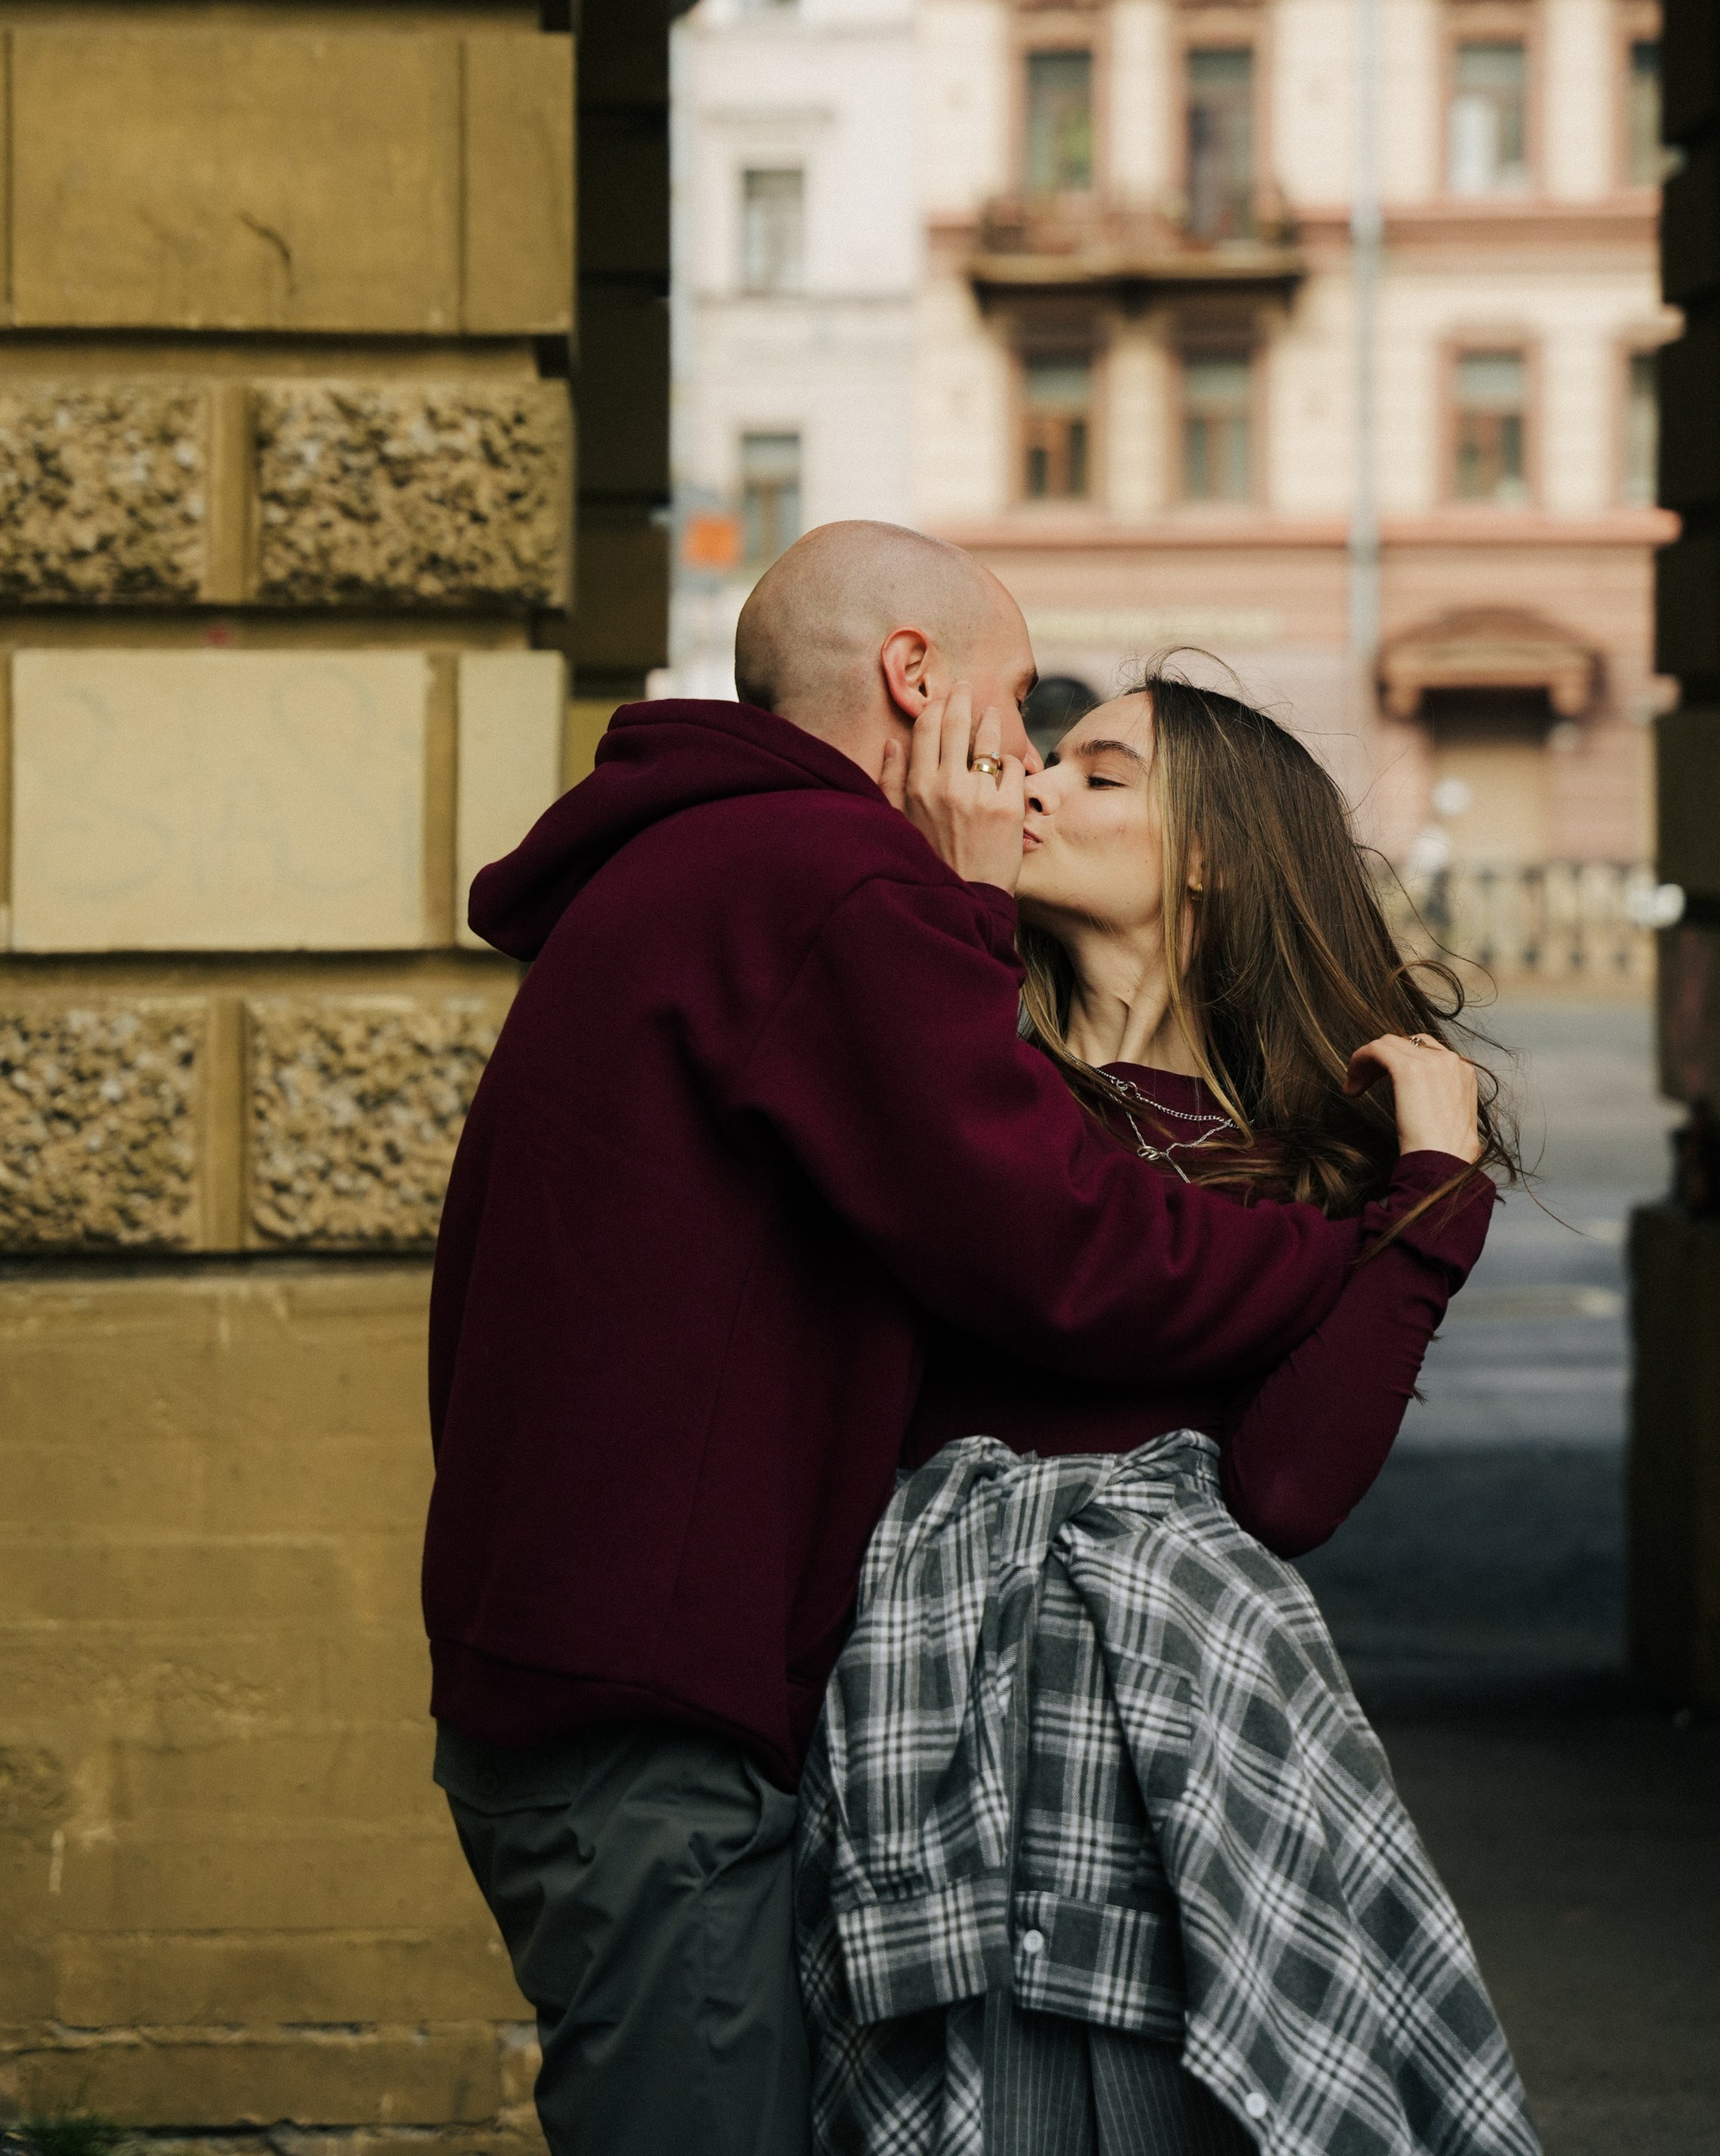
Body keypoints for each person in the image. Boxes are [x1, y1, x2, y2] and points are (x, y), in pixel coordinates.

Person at [421, 529, 1437, 2156]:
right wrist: (1381, 1235)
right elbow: (1062, 1249)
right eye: (1026, 709)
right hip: (662, 1712)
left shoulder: (722, 866)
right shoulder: (833, 883)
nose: (1025, 767)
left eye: (1086, 760)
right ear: (914, 676)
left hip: (645, 1689)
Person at [798, 673, 1540, 2156]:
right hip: (924, 1712)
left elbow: (1289, 1493)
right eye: (1044, 761)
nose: (1034, 785)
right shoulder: (961, 1075)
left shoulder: (1303, 1155)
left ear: (1211, 854)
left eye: (1098, 773)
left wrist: (1432, 1194)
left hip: (1182, 1735)